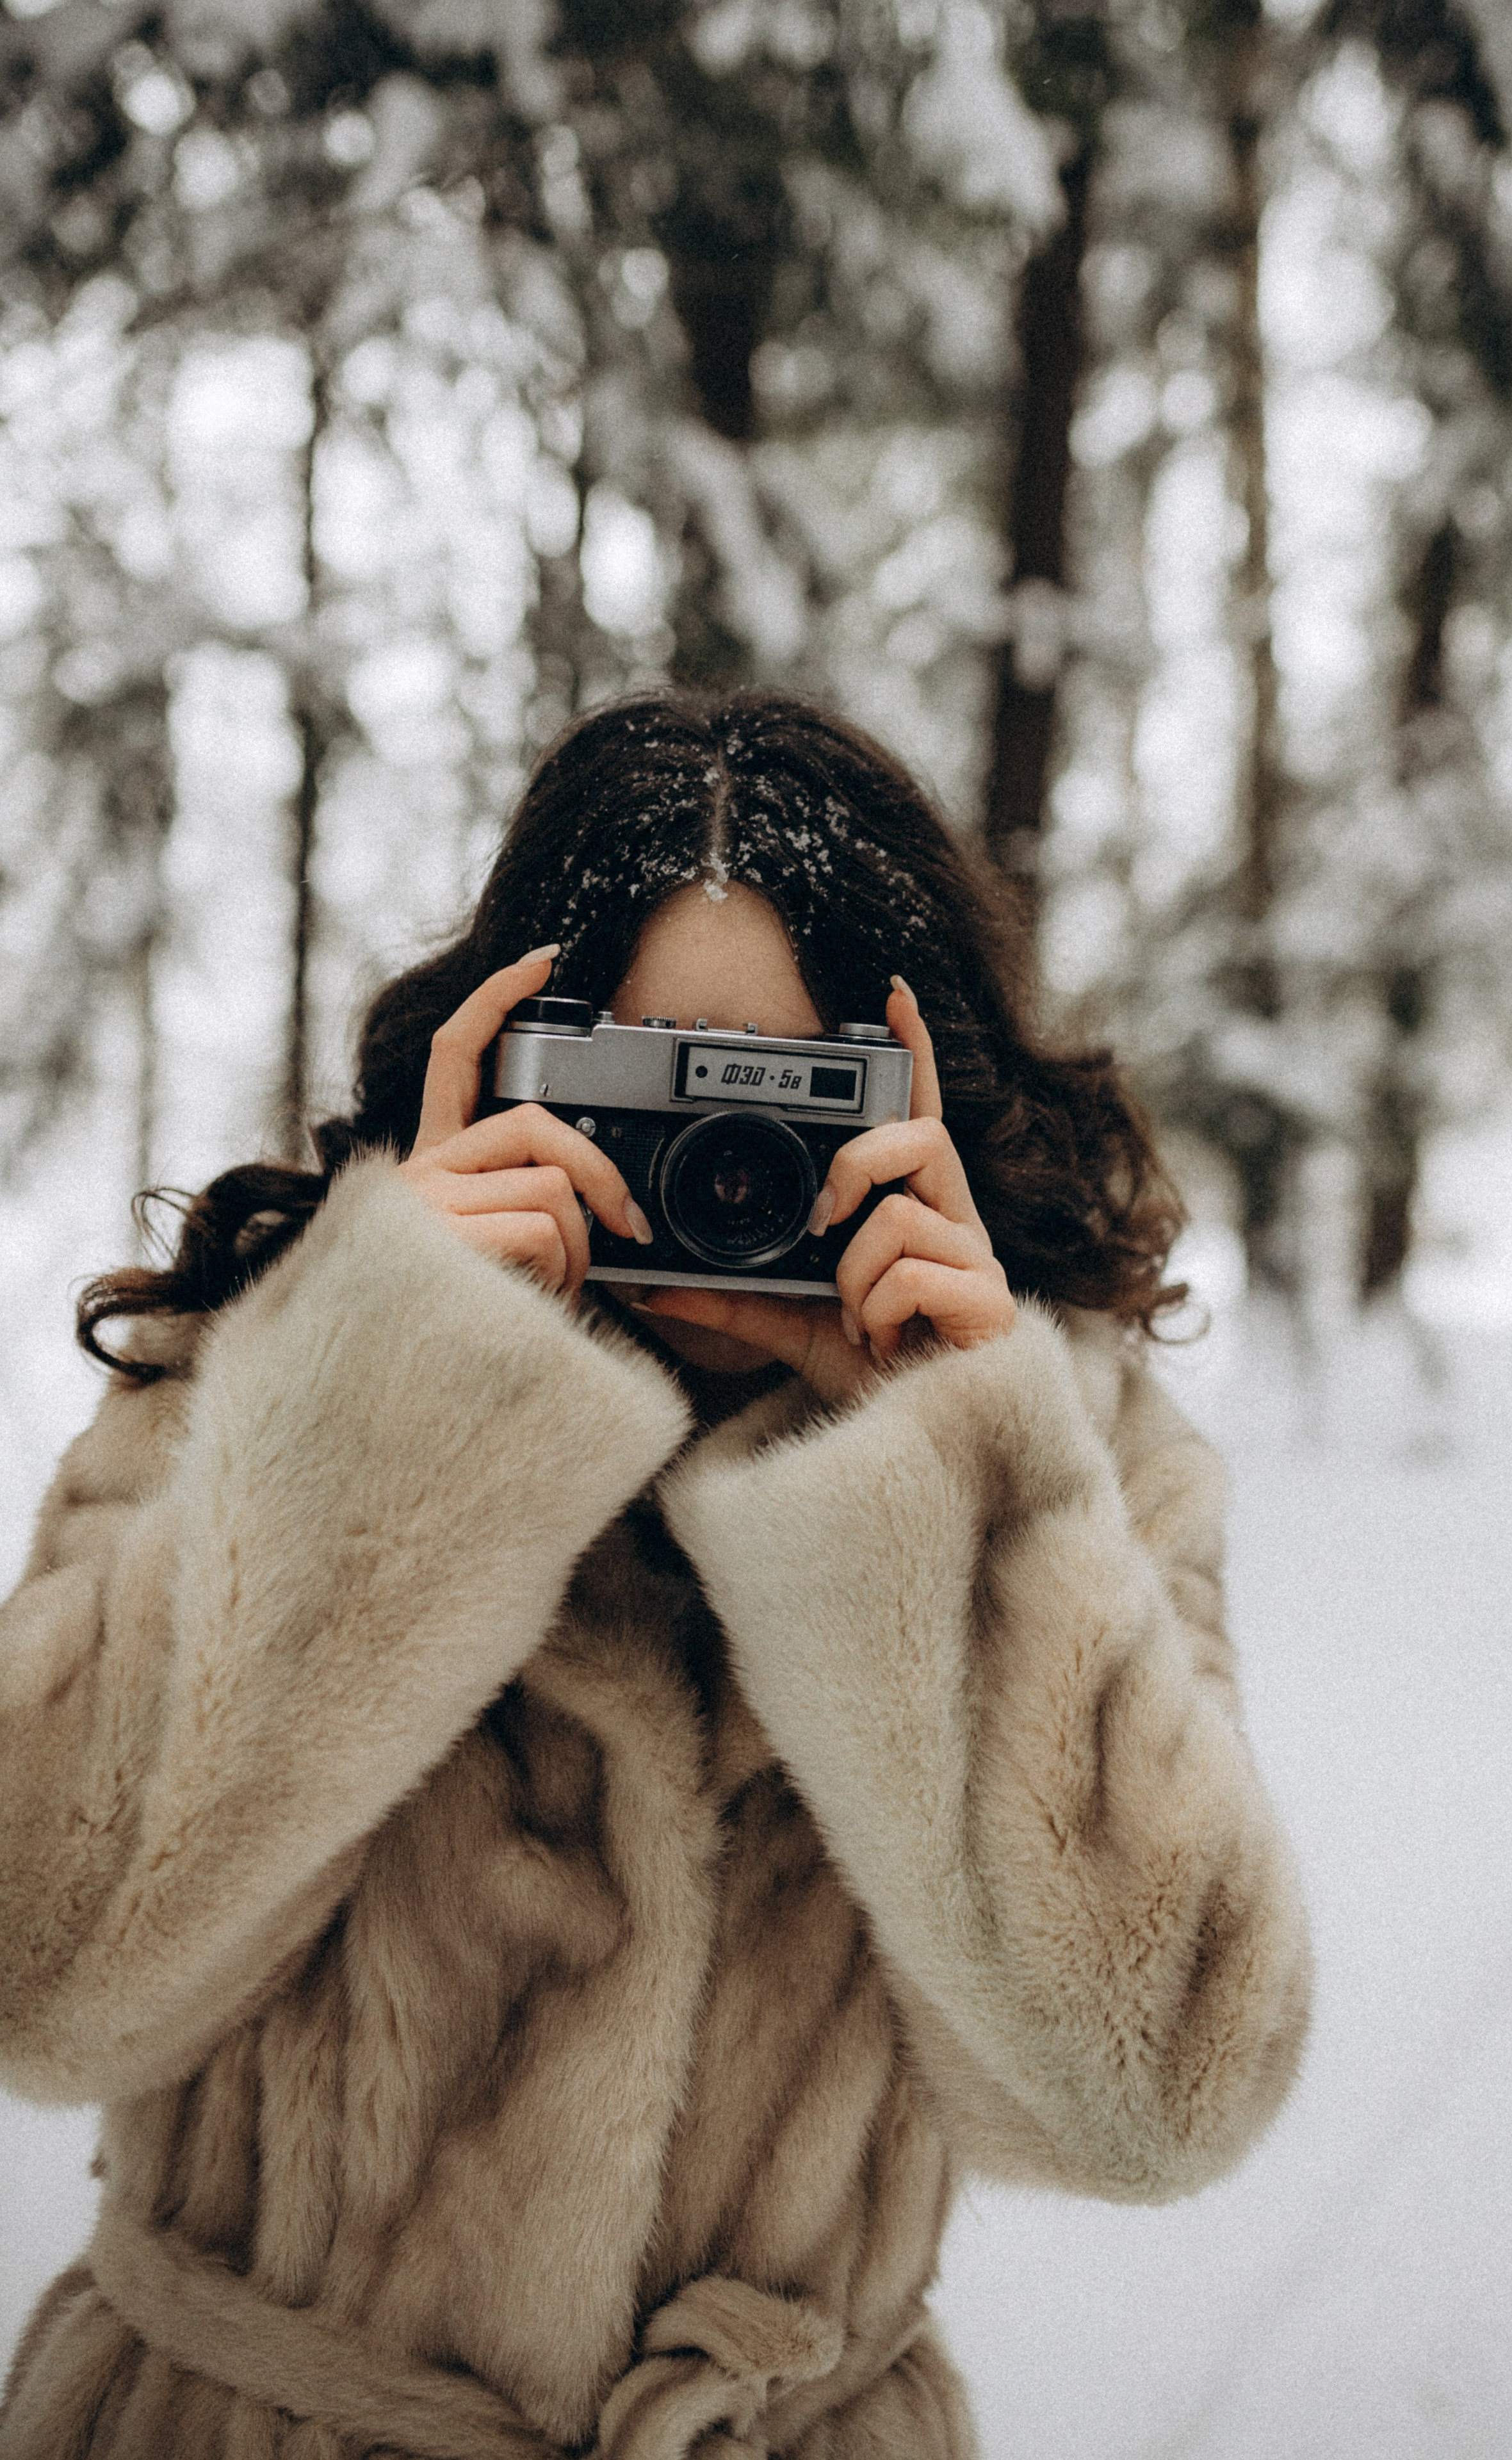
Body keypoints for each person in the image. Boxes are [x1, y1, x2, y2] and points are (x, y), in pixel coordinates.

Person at [0, 690, 1310, 2460]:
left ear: (923, 1100)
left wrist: (944, 1481)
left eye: (792, 1098)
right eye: (650, 1089)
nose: (720, 1169)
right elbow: (39, 1976)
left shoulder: (1053, 1455)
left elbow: (1163, 2101)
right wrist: (393, 1400)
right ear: (508, 1063)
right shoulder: (279, 1373)